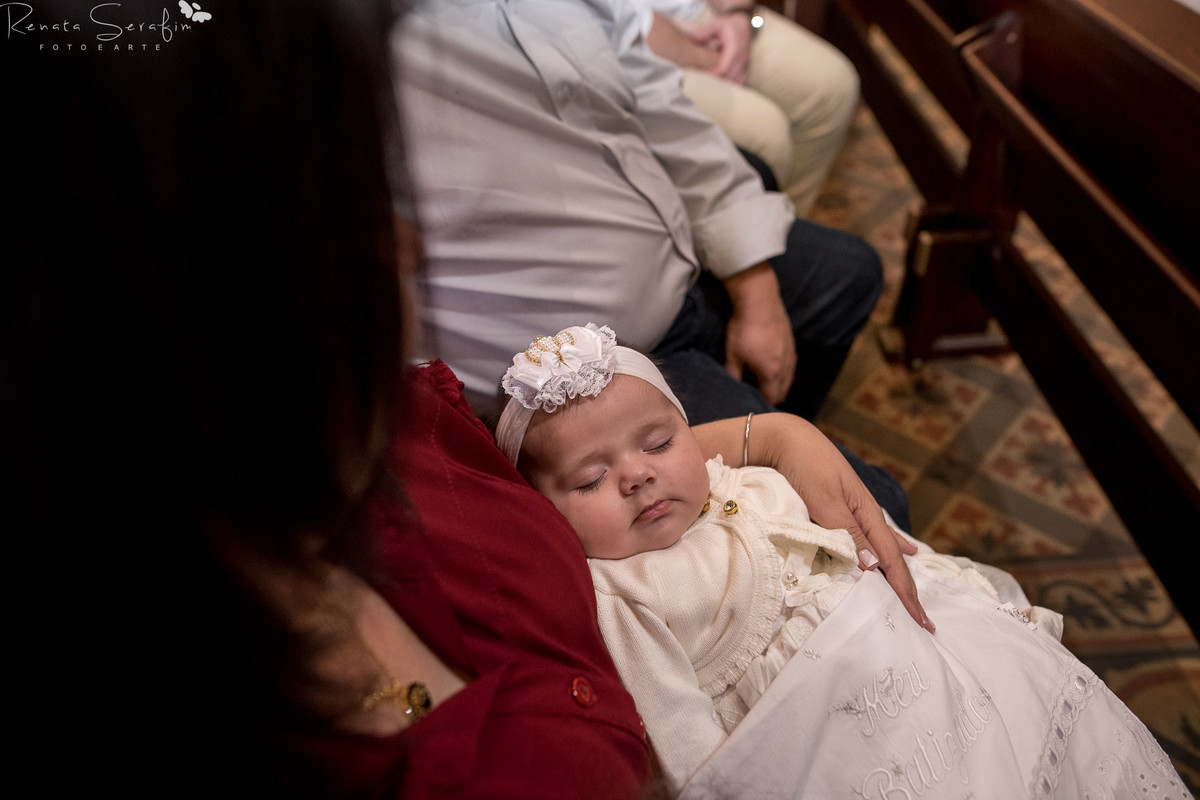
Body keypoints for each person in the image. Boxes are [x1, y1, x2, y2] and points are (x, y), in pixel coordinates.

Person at [5, 0, 930, 796]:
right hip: (618, 362)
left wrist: (772, 436)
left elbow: (645, 97)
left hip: (658, 310)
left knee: (845, 285)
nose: (408, 243)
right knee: (882, 520)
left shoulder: (408, 415)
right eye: (351, 208)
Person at [494, 323, 1190, 798]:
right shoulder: (619, 591)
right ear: (543, 513)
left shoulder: (743, 481)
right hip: (830, 736)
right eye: (589, 481)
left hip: (910, 646)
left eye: (657, 441)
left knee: (1032, 718)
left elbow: (860, 536)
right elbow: (684, 742)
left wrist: (944, 583)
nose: (637, 475)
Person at [393, 0, 880, 431]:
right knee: (873, 504)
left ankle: (778, 419)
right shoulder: (357, 48)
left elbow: (662, 108)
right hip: (582, 390)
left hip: (673, 264)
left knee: (852, 275)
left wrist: (754, 289)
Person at [635, 0, 860, 216]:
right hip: (632, 44)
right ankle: (747, 243)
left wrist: (738, 14)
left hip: (700, 12)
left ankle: (791, 227)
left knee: (831, 85)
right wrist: (713, 60)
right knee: (765, 134)